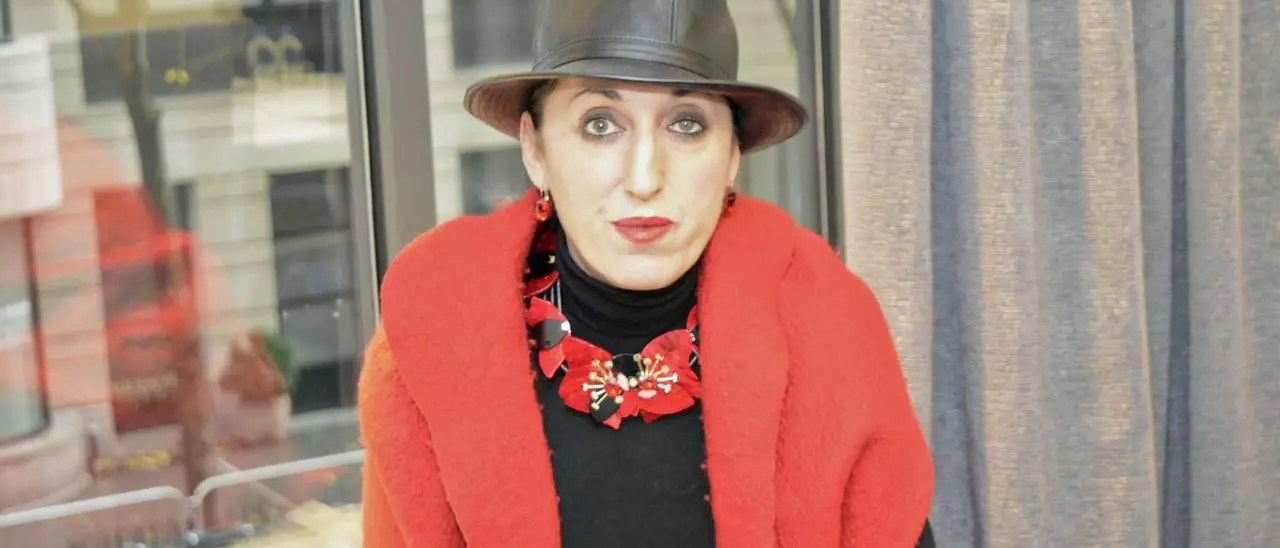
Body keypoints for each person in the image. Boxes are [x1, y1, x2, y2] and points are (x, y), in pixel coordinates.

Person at [357, 0, 934, 546]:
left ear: (732, 155)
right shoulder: (431, 336)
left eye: (686, 125)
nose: (644, 179)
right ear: (536, 151)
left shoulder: (832, 326)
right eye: (599, 125)